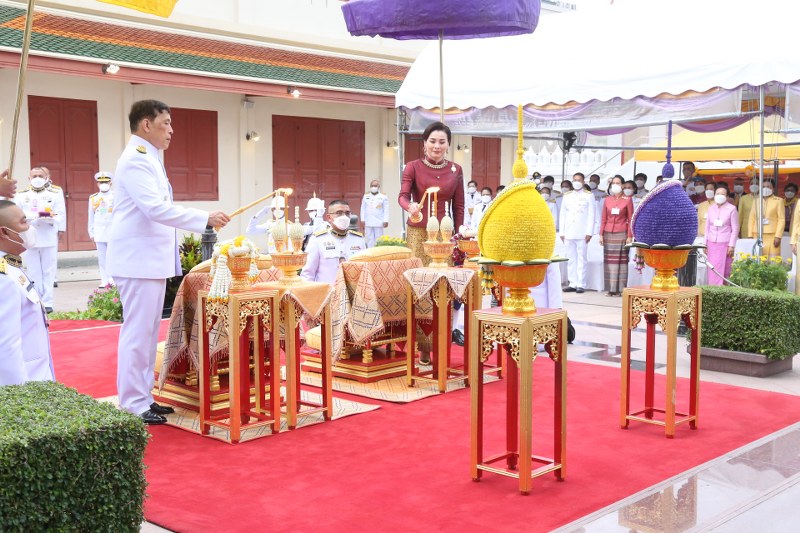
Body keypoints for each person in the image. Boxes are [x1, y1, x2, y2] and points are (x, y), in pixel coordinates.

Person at [107, 99, 230, 425]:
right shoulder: (136, 159)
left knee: (148, 334)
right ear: (146, 124)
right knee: (138, 333)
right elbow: (155, 209)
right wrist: (205, 218)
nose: (171, 130)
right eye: (166, 123)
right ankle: (133, 403)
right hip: (137, 261)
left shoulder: (148, 157)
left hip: (147, 260)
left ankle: (143, 396)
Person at [0, 200, 56, 385]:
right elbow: (6, 347)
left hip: (37, 376)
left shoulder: (11, 265)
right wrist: (21, 394)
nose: (29, 228)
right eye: (23, 222)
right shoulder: (4, 278)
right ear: (4, 232)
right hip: (27, 382)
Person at [398, 121, 465, 266]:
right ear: (425, 143)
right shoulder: (412, 167)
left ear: (448, 145)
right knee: (418, 272)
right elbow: (403, 196)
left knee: (444, 274)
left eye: (442, 142)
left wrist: (459, 235)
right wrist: (410, 206)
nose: (437, 146)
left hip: (445, 232)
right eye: (432, 141)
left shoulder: (456, 169)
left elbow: (458, 206)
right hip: (418, 230)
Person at [13, 167, 66, 313]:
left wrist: (46, 217)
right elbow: (16, 214)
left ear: (47, 178)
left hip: (48, 236)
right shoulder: (22, 195)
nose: (37, 178)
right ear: (29, 178)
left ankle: (48, 302)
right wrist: (30, 217)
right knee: (33, 271)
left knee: (49, 271)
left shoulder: (54, 193)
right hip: (29, 238)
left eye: (40, 176)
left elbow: (60, 213)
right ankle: (37, 300)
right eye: (34, 175)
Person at [301, 199, 366, 285]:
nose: (344, 216)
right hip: (327, 292)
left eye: (347, 213)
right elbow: (307, 274)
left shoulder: (358, 239)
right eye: (339, 213)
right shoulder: (318, 240)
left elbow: (364, 271)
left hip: (353, 291)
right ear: (329, 218)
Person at [559, 172, 595, 294]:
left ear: (583, 182)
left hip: (582, 232)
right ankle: (572, 283)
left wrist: (589, 232)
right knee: (571, 259)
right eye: (574, 180)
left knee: (581, 259)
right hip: (569, 232)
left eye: (579, 180)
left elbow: (591, 215)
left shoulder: (589, 195)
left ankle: (581, 284)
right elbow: (563, 214)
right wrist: (562, 232)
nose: (576, 182)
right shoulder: (567, 196)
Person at [599, 176, 634, 296]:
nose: (615, 185)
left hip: (622, 233)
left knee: (621, 262)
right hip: (608, 233)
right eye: (613, 183)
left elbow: (631, 219)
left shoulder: (627, 200)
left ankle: (620, 289)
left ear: (623, 185)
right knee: (609, 262)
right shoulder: (607, 199)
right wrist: (601, 234)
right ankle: (610, 289)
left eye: (618, 183)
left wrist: (629, 236)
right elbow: (603, 218)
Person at [704, 183, 739, 285]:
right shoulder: (711, 208)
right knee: (712, 269)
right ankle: (712, 288)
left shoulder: (732, 209)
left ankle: (722, 289)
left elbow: (735, 228)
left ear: (727, 197)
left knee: (725, 269)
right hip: (711, 243)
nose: (719, 196)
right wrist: (704, 244)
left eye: (723, 194)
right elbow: (707, 227)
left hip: (725, 244)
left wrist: (731, 245)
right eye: (717, 193)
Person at [88, 171, 115, 287]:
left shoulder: (116, 196)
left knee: (113, 256)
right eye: (101, 182)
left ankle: (113, 279)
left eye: (106, 182)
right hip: (99, 232)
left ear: (110, 183)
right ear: (97, 184)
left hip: (113, 231)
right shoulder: (93, 198)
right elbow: (91, 216)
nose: (104, 184)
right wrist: (91, 232)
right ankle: (104, 280)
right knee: (102, 257)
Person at [749, 178, 785, 258]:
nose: (765, 188)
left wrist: (778, 236)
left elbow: (781, 219)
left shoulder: (779, 201)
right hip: (757, 234)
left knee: (773, 260)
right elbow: (752, 218)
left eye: (768, 187)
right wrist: (750, 235)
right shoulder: (756, 200)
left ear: (773, 189)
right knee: (757, 258)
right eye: (763, 186)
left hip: (772, 235)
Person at [360, 179, 389, 247]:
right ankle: (370, 251)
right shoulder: (366, 196)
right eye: (372, 185)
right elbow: (363, 208)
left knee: (379, 239)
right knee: (369, 238)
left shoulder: (383, 196)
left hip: (379, 221)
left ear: (378, 186)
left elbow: (386, 209)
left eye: (375, 186)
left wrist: (386, 220)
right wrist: (362, 219)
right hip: (368, 220)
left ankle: (379, 251)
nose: (373, 187)